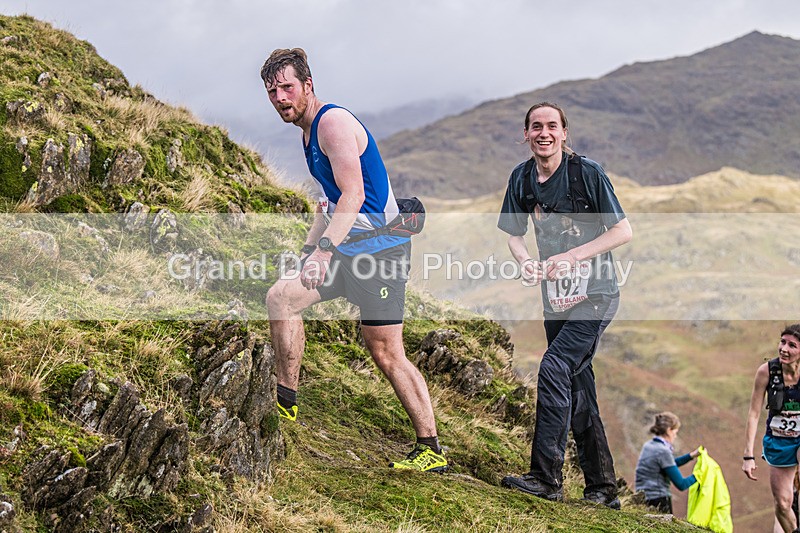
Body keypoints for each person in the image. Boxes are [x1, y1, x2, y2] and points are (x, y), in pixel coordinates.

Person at [260, 48, 447, 473]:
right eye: (272, 91)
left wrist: (324, 252)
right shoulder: (307, 132)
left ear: (308, 85)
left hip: (381, 253)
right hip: (346, 248)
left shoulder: (334, 123)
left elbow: (354, 195)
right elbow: (327, 203)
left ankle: (431, 448)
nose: (280, 98)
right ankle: (285, 403)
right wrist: (311, 253)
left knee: (384, 350)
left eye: (287, 87)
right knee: (281, 298)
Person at [497, 102, 632, 507]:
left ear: (564, 133)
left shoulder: (587, 173)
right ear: (526, 134)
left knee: (554, 367)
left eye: (551, 126)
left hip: (597, 294)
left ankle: (546, 479)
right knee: (577, 385)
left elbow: (623, 231)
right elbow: (514, 235)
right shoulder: (521, 179)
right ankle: (603, 489)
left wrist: (573, 257)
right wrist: (526, 263)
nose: (544, 133)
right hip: (556, 300)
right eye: (536, 126)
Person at [743, 324, 800, 532]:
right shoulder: (766, 372)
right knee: (782, 504)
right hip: (778, 440)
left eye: (792, 345)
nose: (784, 348)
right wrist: (748, 456)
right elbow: (754, 414)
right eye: (783, 342)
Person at [634, 412, 700, 513]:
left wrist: (691, 456)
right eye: (675, 432)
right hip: (659, 500)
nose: (675, 436)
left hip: (643, 497)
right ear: (669, 430)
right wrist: (700, 475)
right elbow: (681, 484)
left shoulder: (649, 446)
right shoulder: (663, 451)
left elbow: (669, 464)